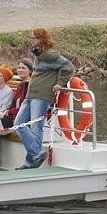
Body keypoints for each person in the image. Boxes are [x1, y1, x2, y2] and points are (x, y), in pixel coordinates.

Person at [15, 28, 74, 170]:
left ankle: (30, 162)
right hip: (31, 95)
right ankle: (36, 154)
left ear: (41, 39)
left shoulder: (50, 55)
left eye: (33, 38)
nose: (31, 40)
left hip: (41, 97)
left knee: (36, 128)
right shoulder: (38, 54)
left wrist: (60, 83)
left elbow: (68, 67)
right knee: (19, 123)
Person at [1, 59, 33, 129]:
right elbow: (14, 103)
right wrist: (8, 110)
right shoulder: (21, 85)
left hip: (20, 120)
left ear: (30, 71)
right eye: (19, 68)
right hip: (11, 116)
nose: (20, 70)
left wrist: (10, 112)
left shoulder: (30, 86)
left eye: (23, 68)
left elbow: (26, 107)